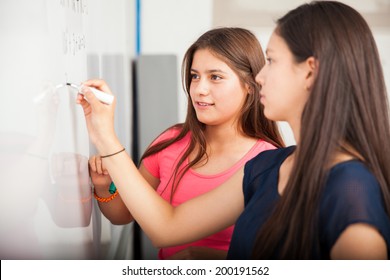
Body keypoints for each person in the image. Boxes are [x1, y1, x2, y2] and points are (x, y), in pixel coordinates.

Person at [78, 1, 390, 259]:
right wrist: (205, 258)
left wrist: (107, 139)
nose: (260, 76)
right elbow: (166, 227)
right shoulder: (267, 168)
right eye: (195, 76)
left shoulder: (351, 190)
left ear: (310, 72)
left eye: (271, 61)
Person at [88, 27, 284, 260]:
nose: (199, 89)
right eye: (194, 76)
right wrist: (103, 187)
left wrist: (207, 258)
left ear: (250, 85)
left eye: (216, 77)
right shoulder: (171, 141)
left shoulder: (266, 163)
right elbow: (123, 214)